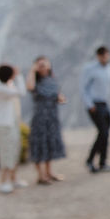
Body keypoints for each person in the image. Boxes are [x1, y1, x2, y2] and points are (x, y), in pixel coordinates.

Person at [26, 56, 67, 185]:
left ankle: (49, 172)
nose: (43, 67)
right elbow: (30, 87)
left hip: (52, 117)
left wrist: (61, 99)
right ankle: (41, 175)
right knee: (39, 145)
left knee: (50, 144)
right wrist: (32, 70)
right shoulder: (35, 81)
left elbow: (58, 95)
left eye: (45, 64)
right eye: (40, 65)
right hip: (40, 118)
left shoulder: (52, 80)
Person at [0, 64, 27, 194]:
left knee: (15, 150)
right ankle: (3, 181)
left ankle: (13, 178)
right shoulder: (0, 89)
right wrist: (19, 76)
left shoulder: (4, 86)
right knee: (6, 152)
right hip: (4, 125)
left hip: (12, 123)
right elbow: (22, 92)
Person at [81, 46, 110, 173]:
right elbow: (83, 88)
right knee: (103, 132)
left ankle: (102, 162)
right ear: (98, 56)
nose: (104, 57)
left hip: (105, 103)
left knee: (106, 133)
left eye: (106, 55)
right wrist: (89, 104)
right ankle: (90, 160)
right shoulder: (90, 69)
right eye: (102, 55)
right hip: (95, 104)